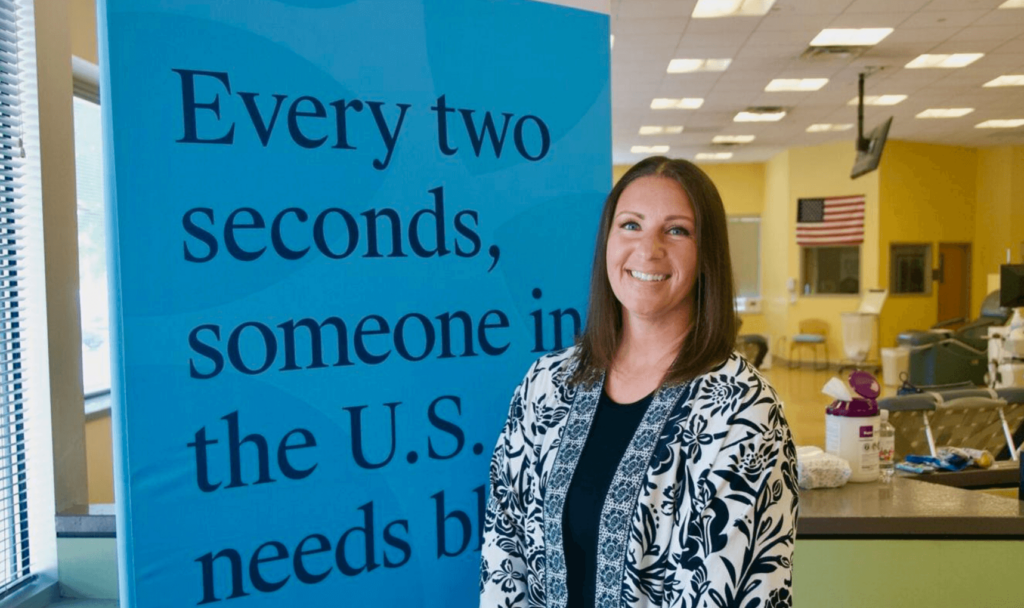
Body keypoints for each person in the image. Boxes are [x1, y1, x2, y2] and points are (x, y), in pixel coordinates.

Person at [479, 157, 798, 608]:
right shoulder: (546, 386)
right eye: (631, 225)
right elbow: (504, 549)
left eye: (677, 230)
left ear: (707, 255)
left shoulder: (741, 410)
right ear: (607, 242)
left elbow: (730, 592)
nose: (649, 250)